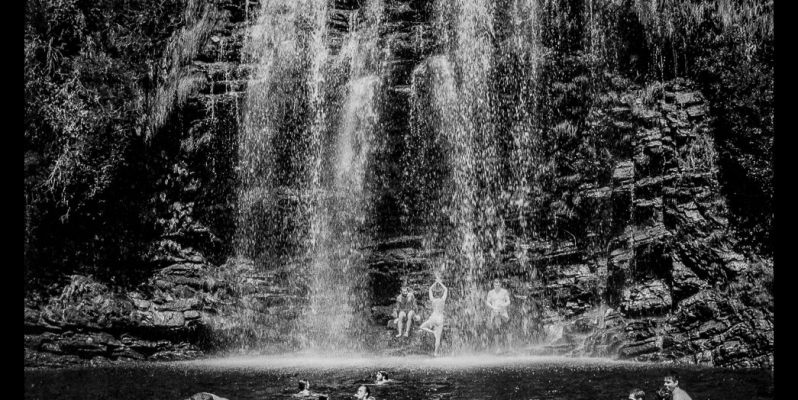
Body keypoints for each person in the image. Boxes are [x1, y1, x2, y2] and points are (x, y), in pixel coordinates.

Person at [419, 272, 448, 356]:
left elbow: (430, 289)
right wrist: (440, 282)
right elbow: (446, 289)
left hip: (433, 318)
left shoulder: (433, 300)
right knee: (438, 339)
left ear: (435, 295)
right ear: (440, 295)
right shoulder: (442, 300)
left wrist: (435, 282)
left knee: (422, 327)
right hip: (440, 319)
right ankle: (435, 353)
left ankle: (432, 332)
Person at [485, 278, 511, 350]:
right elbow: (487, 302)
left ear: (500, 284)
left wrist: (504, 305)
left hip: (503, 312)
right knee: (496, 330)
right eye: (496, 284)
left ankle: (510, 347)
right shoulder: (490, 292)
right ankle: (498, 348)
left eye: (499, 284)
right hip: (495, 312)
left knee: (508, 328)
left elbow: (508, 301)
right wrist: (493, 307)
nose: (497, 285)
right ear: (493, 284)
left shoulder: (504, 291)